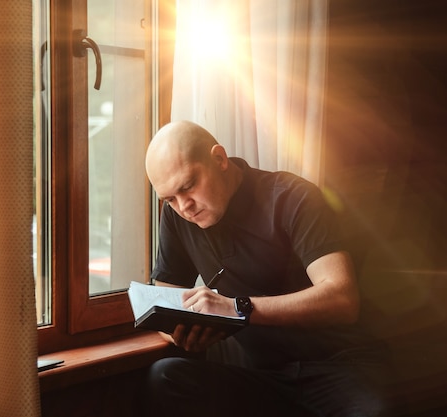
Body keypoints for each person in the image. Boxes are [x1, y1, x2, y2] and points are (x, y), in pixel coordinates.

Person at [138, 120, 392, 417]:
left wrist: (237, 308)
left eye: (188, 186)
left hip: (340, 367)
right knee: (165, 376)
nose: (185, 207)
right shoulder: (177, 217)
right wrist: (184, 333)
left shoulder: (292, 196)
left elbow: (342, 298)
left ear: (219, 159)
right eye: (170, 198)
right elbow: (166, 300)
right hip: (264, 376)